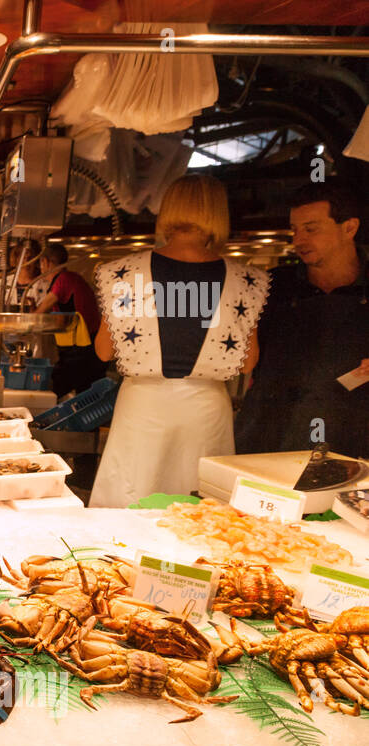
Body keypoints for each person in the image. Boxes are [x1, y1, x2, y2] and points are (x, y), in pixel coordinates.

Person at [89, 174, 270, 507]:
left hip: (142, 407)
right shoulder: (247, 280)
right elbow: (247, 362)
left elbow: (103, 351)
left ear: (167, 210)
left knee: (130, 498)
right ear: (218, 213)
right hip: (206, 412)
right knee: (199, 507)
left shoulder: (124, 272)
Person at [236, 182, 369, 460]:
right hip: (270, 437)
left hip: (355, 441)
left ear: (349, 228)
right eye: (295, 229)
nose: (298, 240)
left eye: (311, 229)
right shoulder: (270, 286)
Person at [29, 243, 107, 398]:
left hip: (83, 350)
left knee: (53, 392)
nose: (40, 267)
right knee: (78, 396)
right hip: (82, 348)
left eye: (40, 263)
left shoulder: (64, 280)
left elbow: (39, 314)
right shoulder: (70, 278)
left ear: (45, 262)